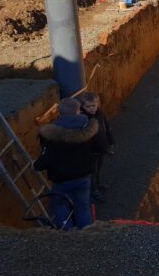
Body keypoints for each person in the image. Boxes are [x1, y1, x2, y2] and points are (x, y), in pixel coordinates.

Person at [33, 97, 108, 229]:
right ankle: (86, 232)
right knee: (83, 206)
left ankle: (67, 235)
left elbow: (46, 158)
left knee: (60, 206)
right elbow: (101, 146)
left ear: (60, 113)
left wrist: (36, 165)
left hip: (62, 179)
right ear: (78, 111)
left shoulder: (51, 134)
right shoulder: (90, 127)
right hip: (84, 176)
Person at [77, 92, 114, 203]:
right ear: (82, 107)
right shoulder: (83, 119)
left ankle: (97, 185)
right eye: (88, 106)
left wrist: (110, 141)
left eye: (94, 105)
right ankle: (94, 192)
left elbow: (106, 127)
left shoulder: (100, 113)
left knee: (98, 168)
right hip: (90, 150)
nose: (92, 109)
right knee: (91, 172)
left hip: (101, 147)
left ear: (98, 104)